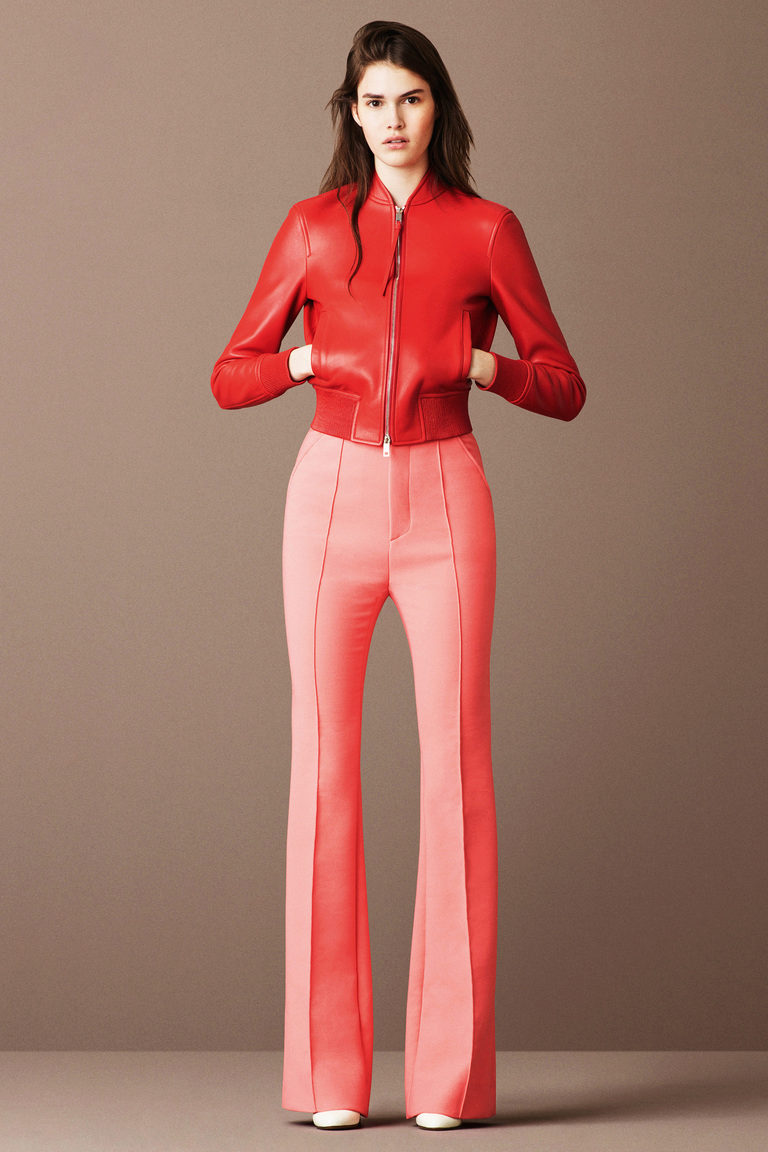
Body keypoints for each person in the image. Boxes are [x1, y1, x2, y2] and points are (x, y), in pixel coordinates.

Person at [211, 19, 585, 1131]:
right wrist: (302, 359)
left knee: (457, 768)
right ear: (352, 112)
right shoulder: (313, 227)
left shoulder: (487, 228)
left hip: (446, 497)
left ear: (438, 108)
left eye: (411, 98)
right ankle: (327, 1080)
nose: (392, 119)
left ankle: (448, 1082)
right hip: (329, 500)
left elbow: (565, 383)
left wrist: (483, 365)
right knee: (323, 770)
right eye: (374, 100)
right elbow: (229, 374)